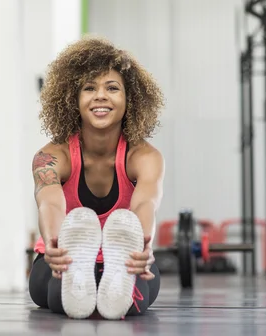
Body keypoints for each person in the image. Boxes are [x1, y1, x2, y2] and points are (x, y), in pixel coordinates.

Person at [28, 36, 165, 320]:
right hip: (64, 256)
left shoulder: (144, 156)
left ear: (131, 99)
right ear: (73, 99)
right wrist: (53, 242)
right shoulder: (54, 155)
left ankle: (110, 276)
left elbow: (145, 203)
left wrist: (145, 244)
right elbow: (49, 203)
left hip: (123, 258)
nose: (100, 96)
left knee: (137, 300)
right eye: (89, 88)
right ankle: (78, 266)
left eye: (112, 88)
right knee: (54, 295)